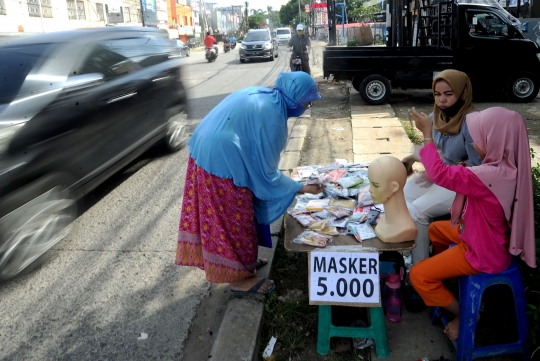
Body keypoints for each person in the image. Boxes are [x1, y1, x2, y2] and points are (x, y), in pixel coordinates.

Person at [175, 72, 323, 295]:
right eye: (307, 102)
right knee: (234, 222)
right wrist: (301, 187)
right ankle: (237, 281)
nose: (307, 106)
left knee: (242, 214)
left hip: (208, 149)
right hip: (219, 164)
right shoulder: (273, 116)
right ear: (294, 100)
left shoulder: (267, 95)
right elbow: (266, 175)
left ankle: (244, 265)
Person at [409, 107, 536, 341]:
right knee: (436, 230)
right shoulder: (505, 169)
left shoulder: (489, 175)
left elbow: (440, 174)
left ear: (493, 140)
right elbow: (459, 172)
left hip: (481, 251)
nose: (472, 141)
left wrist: (427, 134)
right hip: (482, 237)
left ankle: (466, 312)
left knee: (418, 276)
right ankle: (446, 280)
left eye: (477, 137)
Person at [403, 70, 482, 266]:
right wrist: (414, 158)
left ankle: (419, 267)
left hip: (463, 183)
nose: (442, 100)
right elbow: (434, 151)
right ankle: (414, 249)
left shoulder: (474, 122)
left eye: (449, 94)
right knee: (403, 193)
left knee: (418, 211)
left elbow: (477, 168)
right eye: (437, 94)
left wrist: (439, 170)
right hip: (440, 175)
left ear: (463, 93)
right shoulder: (435, 117)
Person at [368, 156, 418, 243]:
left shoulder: (406, 229)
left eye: (376, 185)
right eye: (370, 183)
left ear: (394, 187)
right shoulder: (386, 220)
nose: (370, 190)